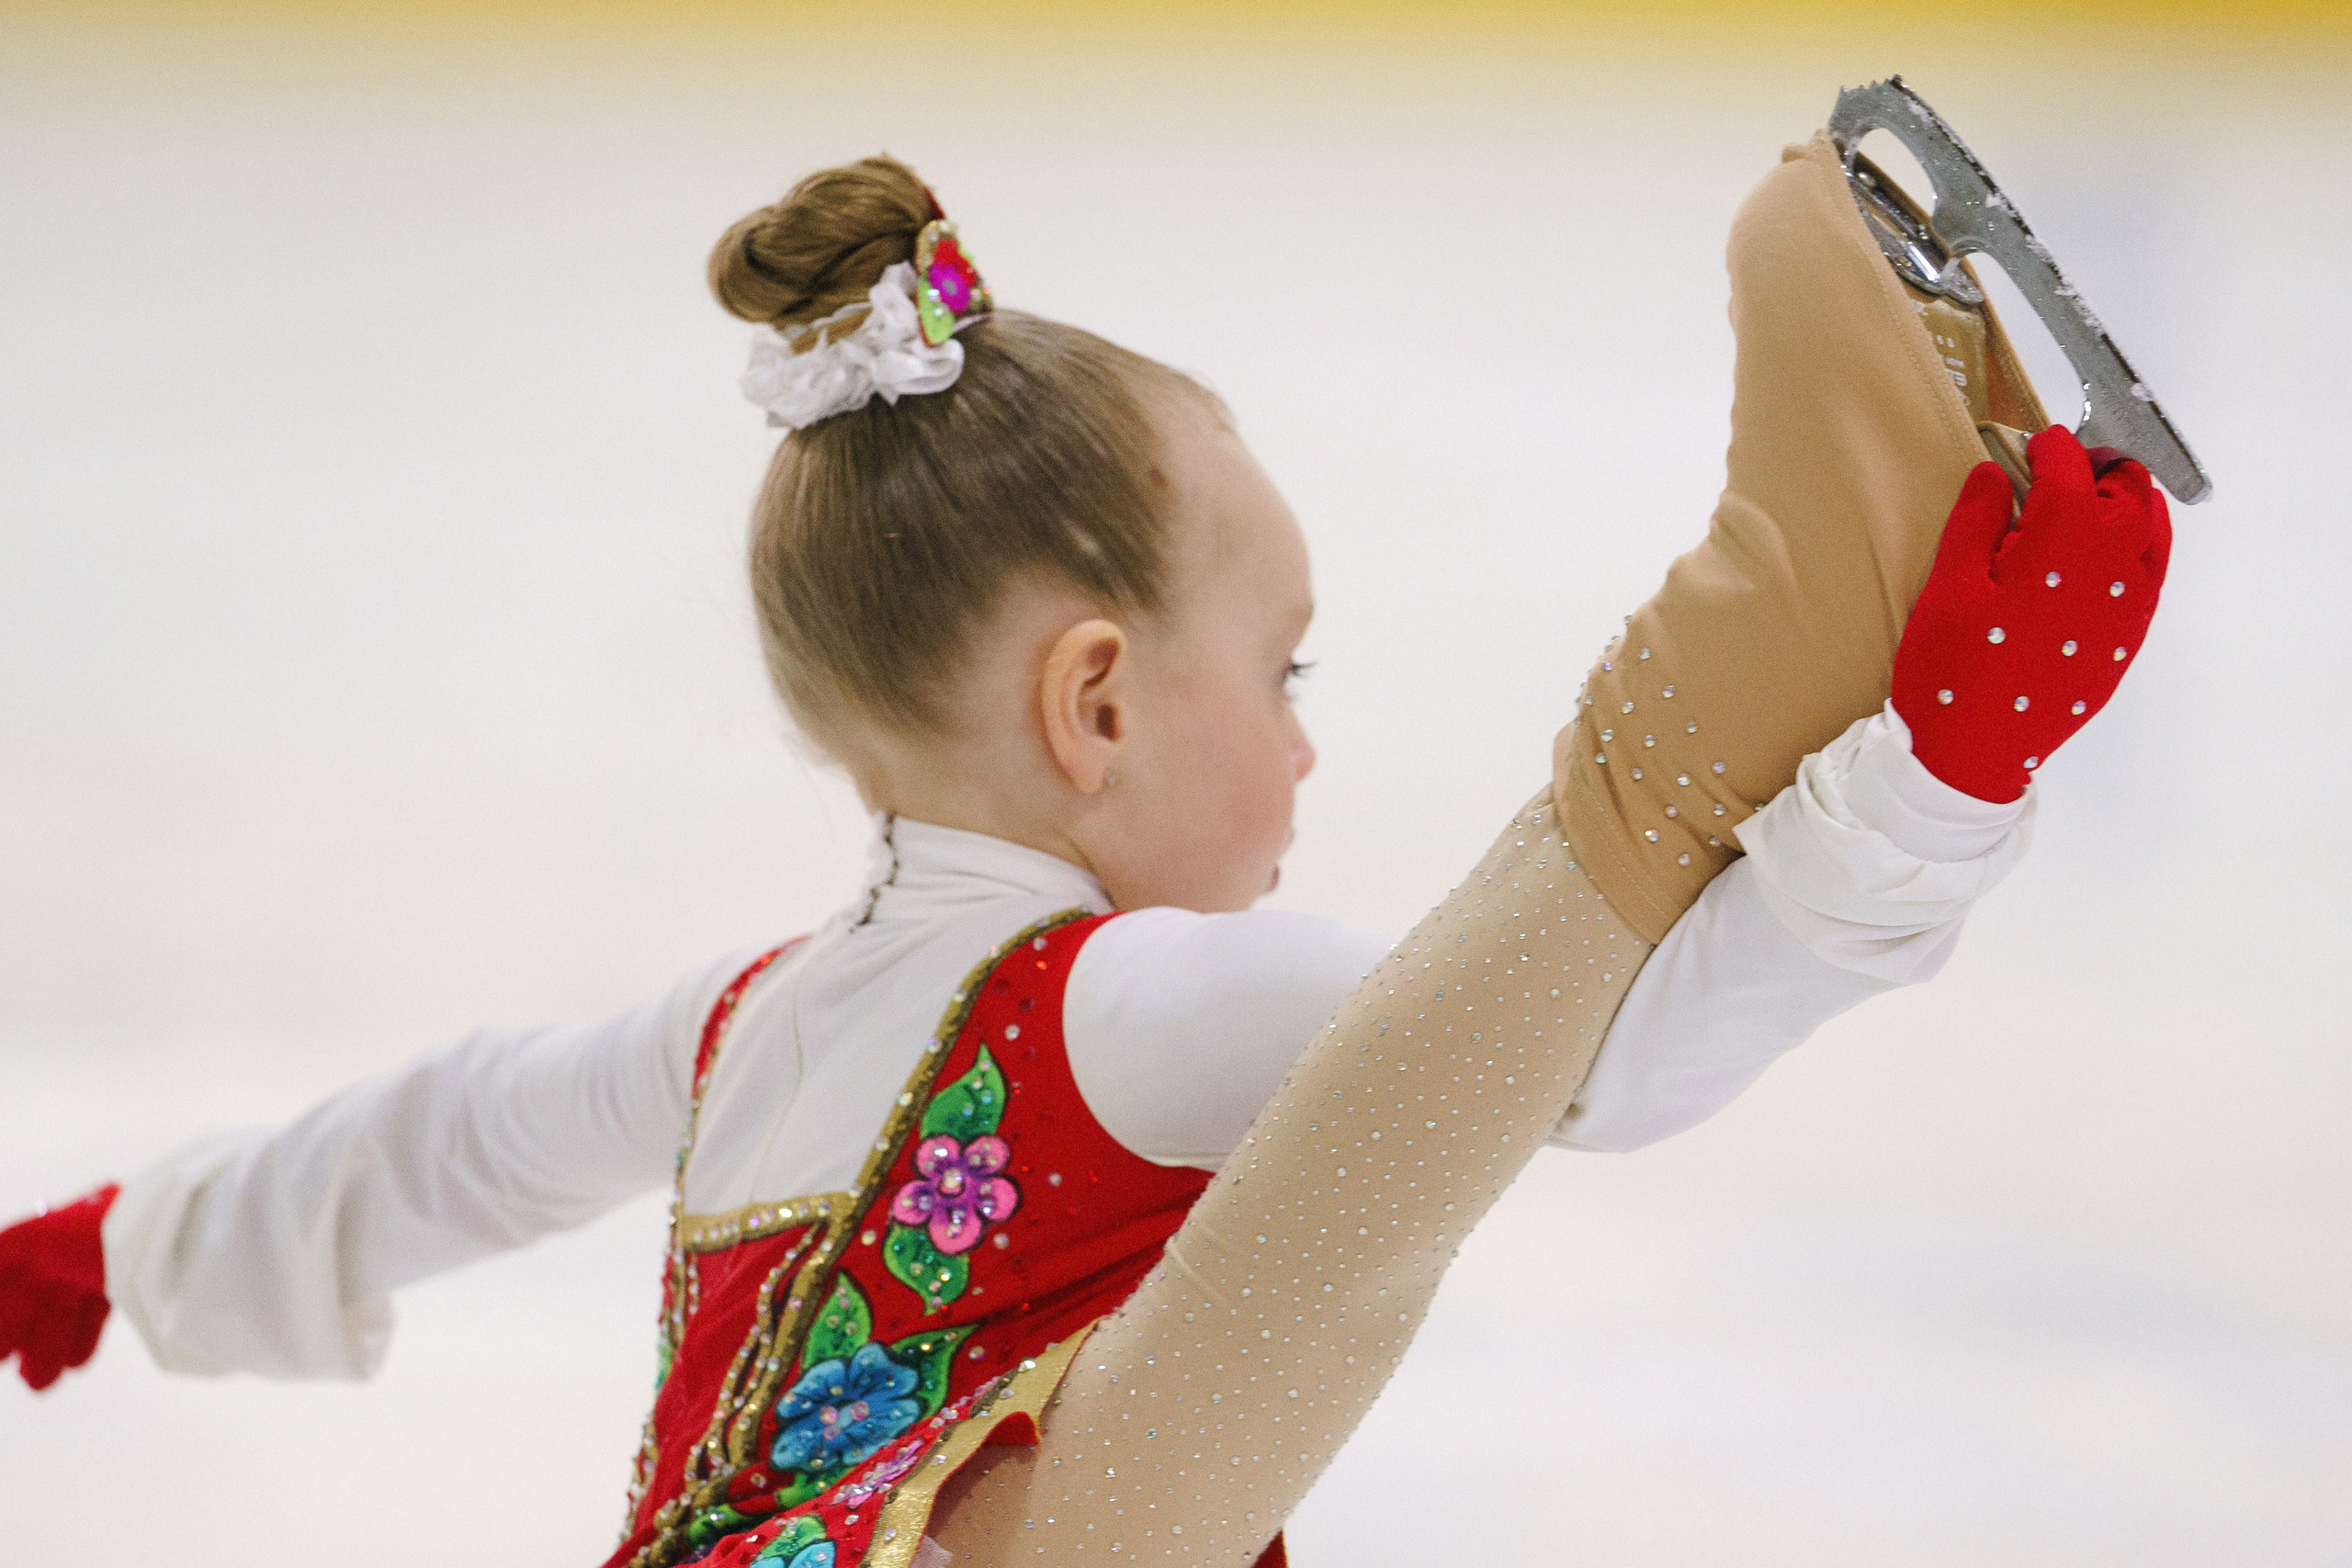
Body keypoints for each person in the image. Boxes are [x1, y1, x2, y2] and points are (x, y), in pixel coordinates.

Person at [0, 141, 2165, 1568]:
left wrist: (109, 1246)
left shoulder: (729, 1032)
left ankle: (1734, 663)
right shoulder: (1137, 1002)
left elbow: (437, 1138)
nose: (1304, 747)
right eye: (1284, 672)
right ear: (1097, 703)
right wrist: (1932, 778)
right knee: (1358, 1177)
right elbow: (1578, 1067)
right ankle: (1705, 692)